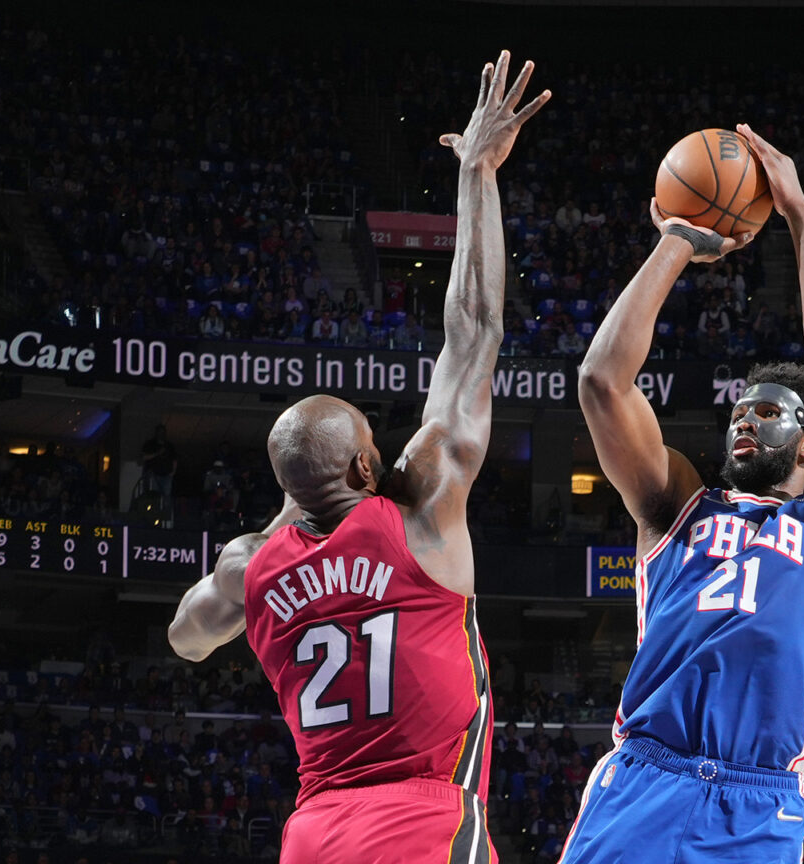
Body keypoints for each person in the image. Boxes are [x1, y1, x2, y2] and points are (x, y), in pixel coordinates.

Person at [167, 51, 548, 864]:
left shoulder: (248, 566)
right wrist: (477, 172)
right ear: (366, 471)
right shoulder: (421, 511)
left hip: (313, 832)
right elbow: (475, 330)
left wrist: (283, 521)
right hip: (421, 818)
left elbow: (185, 639)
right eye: (374, 448)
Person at [562, 124, 804, 863]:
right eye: (740, 412)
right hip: (643, 780)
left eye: (768, 412)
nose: (745, 421)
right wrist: (677, 241)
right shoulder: (675, 505)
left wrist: (801, 216)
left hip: (757, 802)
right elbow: (600, 383)